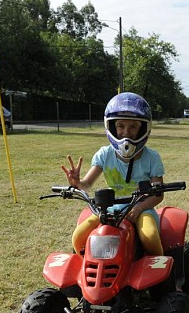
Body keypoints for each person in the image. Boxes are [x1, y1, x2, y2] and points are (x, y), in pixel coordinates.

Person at [62, 92, 165, 256]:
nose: (126, 131)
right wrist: (77, 182)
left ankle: (162, 273)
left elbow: (158, 195)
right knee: (78, 237)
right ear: (111, 127)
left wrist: (139, 208)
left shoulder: (152, 157)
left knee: (150, 237)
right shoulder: (105, 154)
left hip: (142, 209)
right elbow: (87, 184)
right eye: (121, 126)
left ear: (144, 128)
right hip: (110, 209)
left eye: (133, 126)